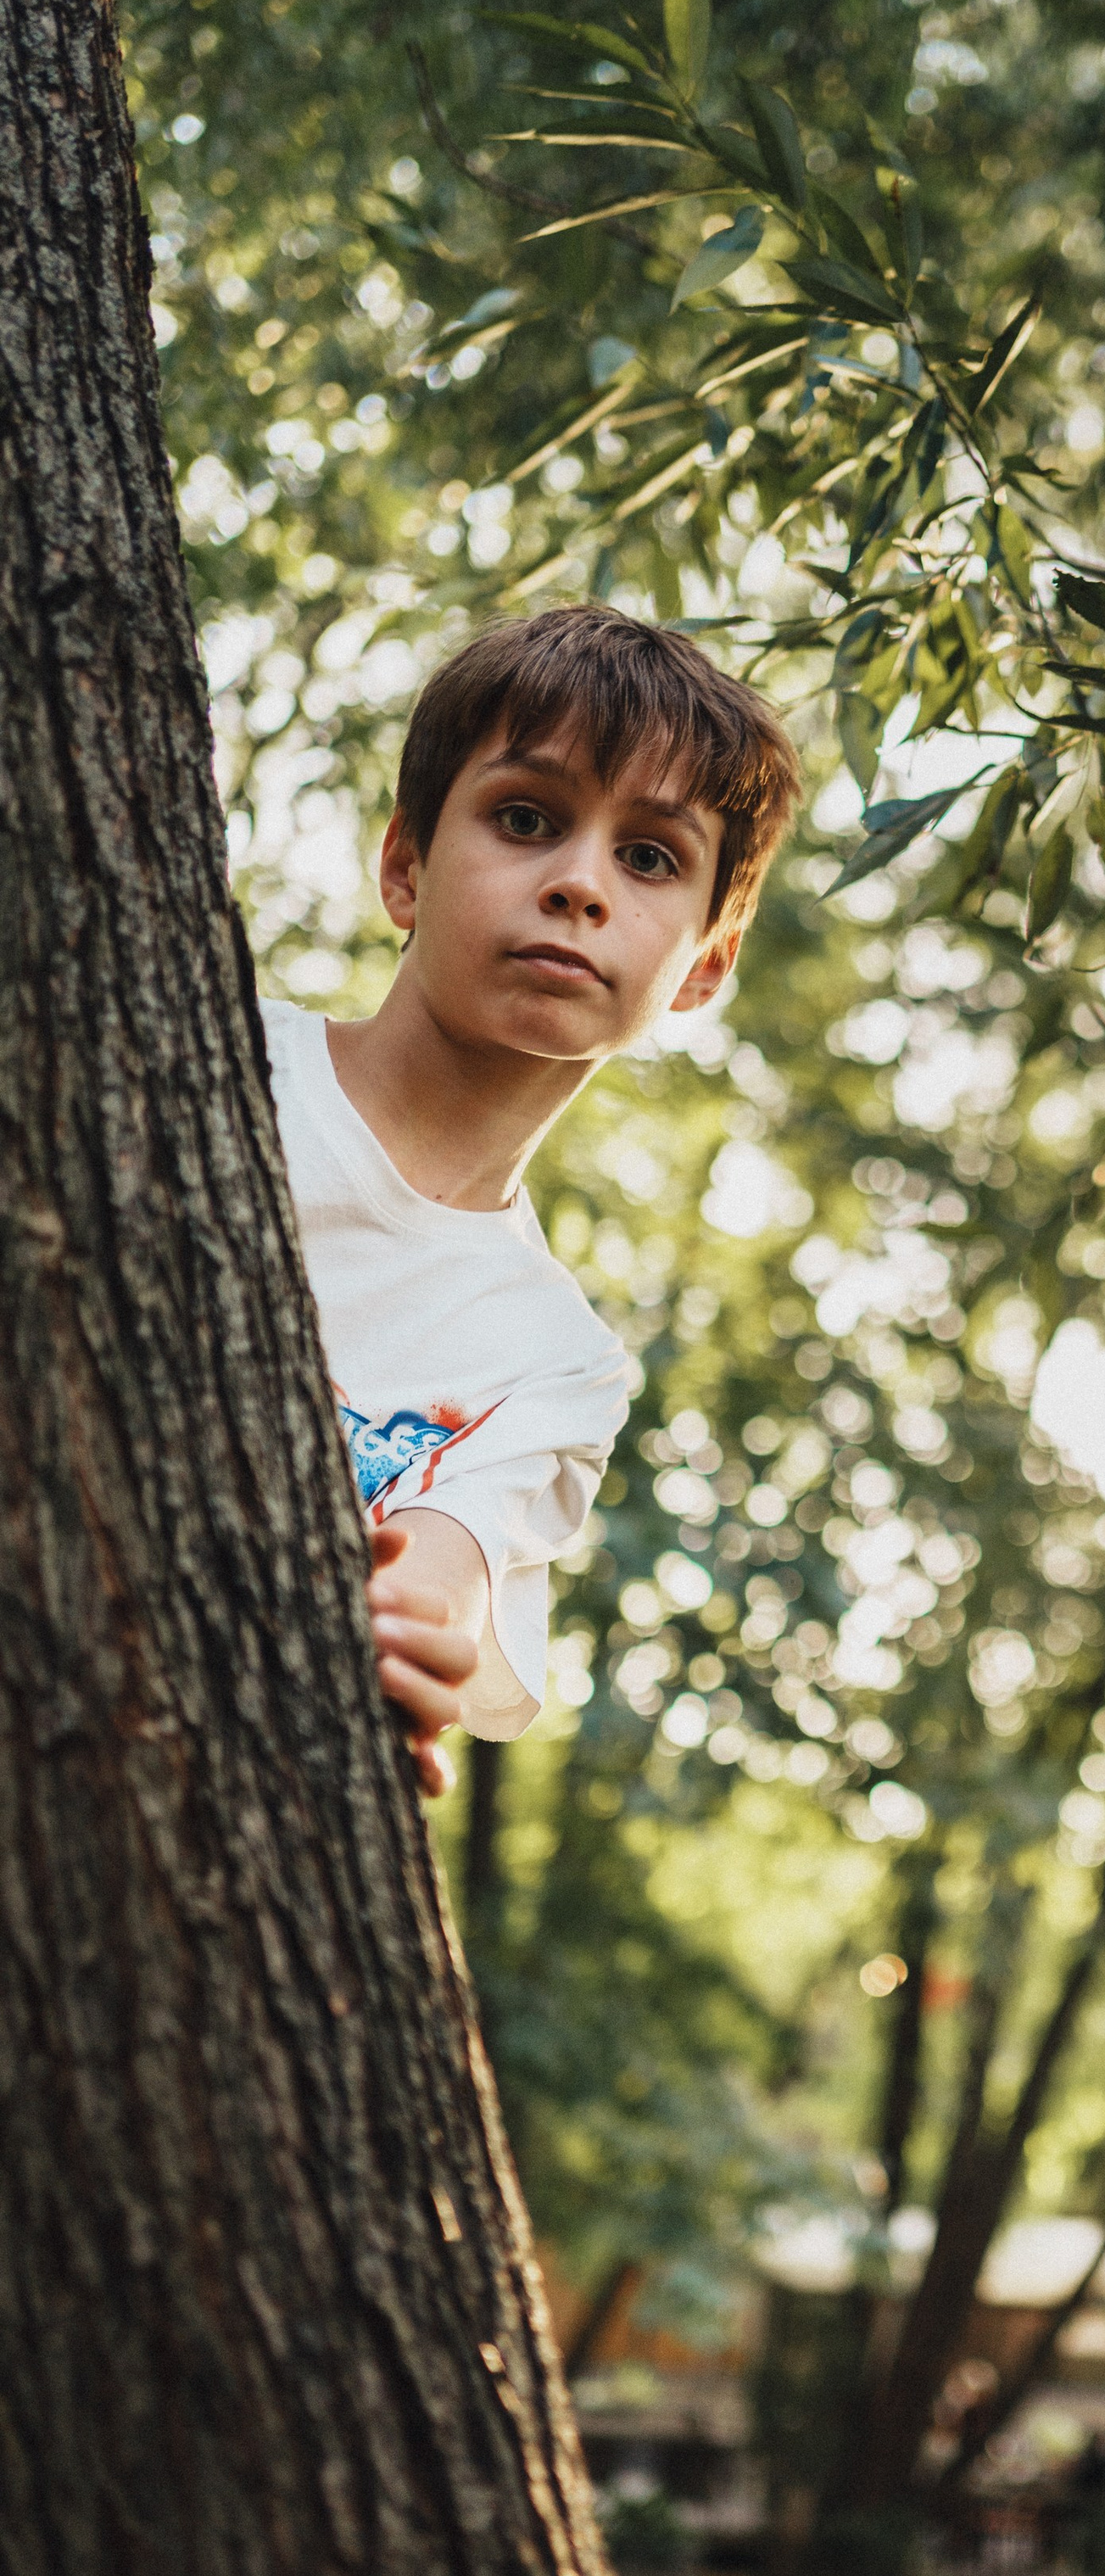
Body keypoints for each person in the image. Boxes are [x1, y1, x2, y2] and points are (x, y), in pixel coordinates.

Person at [260, 604, 799, 1790]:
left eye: (649, 857)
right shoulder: (221, 1061)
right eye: (525, 820)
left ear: (705, 964)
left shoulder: (559, 1364)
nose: (578, 884)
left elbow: (439, 1573)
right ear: (405, 864)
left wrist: (408, 1644)